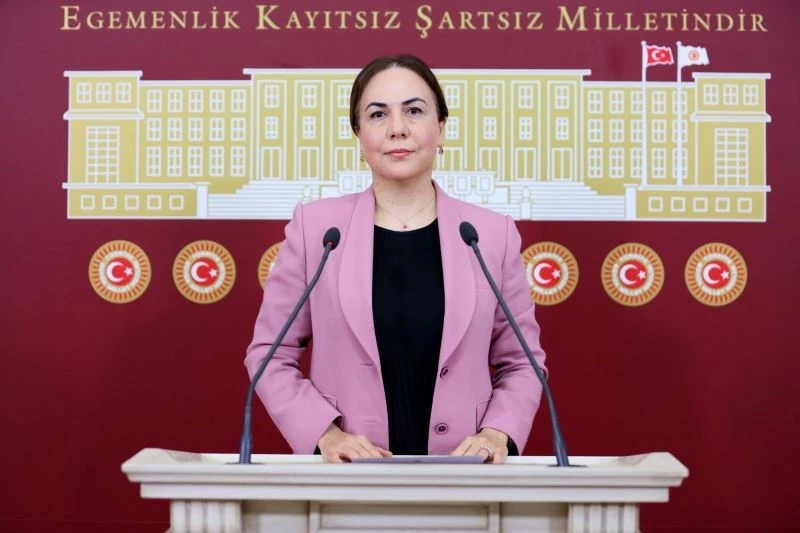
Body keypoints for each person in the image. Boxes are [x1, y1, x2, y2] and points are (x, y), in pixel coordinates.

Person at [245, 55, 547, 464]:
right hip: (349, 477)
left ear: (441, 128)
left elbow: (522, 362)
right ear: (359, 135)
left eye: (414, 111)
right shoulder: (315, 230)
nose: (397, 128)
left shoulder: (491, 236)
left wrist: (497, 433)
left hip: (465, 477)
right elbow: (269, 355)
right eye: (377, 114)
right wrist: (325, 434)